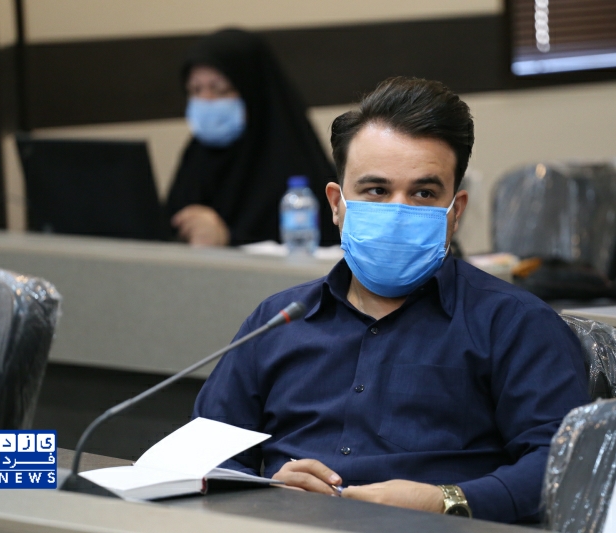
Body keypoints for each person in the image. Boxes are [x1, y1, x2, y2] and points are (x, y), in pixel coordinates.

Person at [193, 77, 590, 523]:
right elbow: (204, 455)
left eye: (423, 193)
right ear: (337, 204)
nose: (399, 211)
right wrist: (265, 492)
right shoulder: (278, 321)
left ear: (455, 212)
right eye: (377, 191)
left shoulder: (515, 324)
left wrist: (445, 500)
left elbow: (564, 466)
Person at [165, 28, 339, 247]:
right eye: (196, 90)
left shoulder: (290, 163)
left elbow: (310, 246)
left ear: (254, 92)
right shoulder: (196, 158)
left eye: (220, 90)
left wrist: (228, 239)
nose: (206, 100)